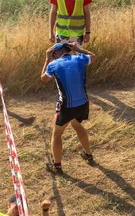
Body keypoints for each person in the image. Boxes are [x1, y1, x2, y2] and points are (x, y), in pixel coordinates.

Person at [41, 42, 96, 174]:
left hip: (66, 106)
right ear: (69, 50)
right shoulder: (79, 59)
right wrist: (78, 49)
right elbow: (93, 56)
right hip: (83, 104)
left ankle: (57, 166)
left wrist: (47, 59)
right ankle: (88, 154)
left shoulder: (53, 64)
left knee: (57, 134)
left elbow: (43, 79)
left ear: (55, 54)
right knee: (77, 125)